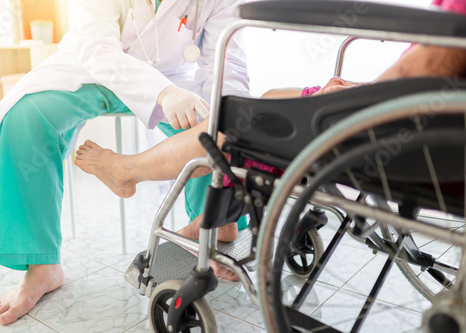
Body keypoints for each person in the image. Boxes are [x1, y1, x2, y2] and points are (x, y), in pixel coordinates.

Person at [74, 0, 466, 290]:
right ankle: (221, 219)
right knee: (270, 96)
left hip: (398, 130)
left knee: (235, 127)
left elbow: (435, 65)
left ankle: (128, 171)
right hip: (424, 122)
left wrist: (362, 98)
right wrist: (362, 90)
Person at [0, 0, 250, 325]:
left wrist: (226, 115)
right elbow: (97, 49)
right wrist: (162, 93)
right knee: (24, 117)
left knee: (213, 124)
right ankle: (42, 267)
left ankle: (211, 227)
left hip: (171, 74)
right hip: (88, 69)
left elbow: (226, 61)